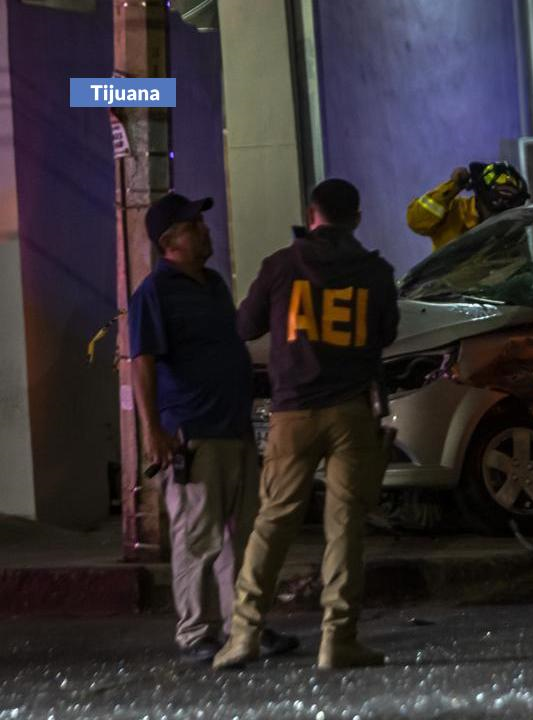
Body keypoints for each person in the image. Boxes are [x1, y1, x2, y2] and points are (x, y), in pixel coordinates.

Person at [214, 179, 400, 671]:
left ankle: (244, 635)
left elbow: (245, 326)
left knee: (272, 523)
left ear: (310, 213)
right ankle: (337, 639)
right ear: (356, 217)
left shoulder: (280, 266)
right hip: (352, 412)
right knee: (345, 529)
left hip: (292, 412)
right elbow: (387, 333)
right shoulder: (376, 272)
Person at [128, 192, 298, 665]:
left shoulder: (215, 285)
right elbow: (141, 364)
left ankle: (244, 626)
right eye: (193, 226)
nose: (205, 230)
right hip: (192, 432)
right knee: (198, 537)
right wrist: (153, 431)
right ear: (170, 241)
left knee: (242, 537)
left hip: (234, 428)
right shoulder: (154, 293)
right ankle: (195, 632)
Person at [405, 161, 530, 250]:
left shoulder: (510, 232)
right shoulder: (454, 212)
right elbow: (415, 222)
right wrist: (453, 187)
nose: (499, 217)